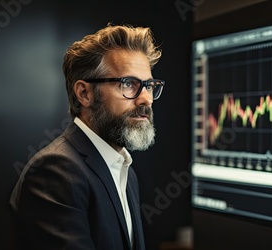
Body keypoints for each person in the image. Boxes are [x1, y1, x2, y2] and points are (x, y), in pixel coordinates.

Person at [9, 23, 165, 250]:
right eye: (129, 84)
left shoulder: (125, 171)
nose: (146, 99)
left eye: (149, 86)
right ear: (84, 93)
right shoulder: (56, 171)